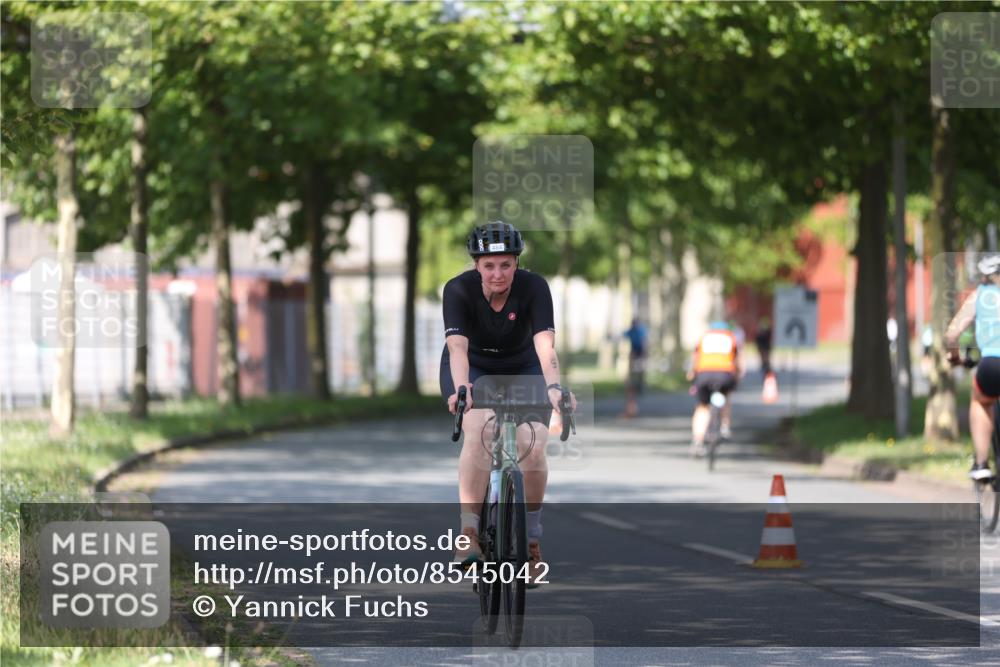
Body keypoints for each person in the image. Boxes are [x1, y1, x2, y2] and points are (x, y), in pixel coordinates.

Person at [441, 220, 577, 581]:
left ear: (517, 263)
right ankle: (469, 533)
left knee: (533, 446)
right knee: (481, 431)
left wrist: (554, 388)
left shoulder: (535, 287)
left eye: (506, 264)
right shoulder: (457, 290)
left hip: (524, 366)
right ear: (476, 266)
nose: (498, 273)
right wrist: (462, 389)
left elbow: (545, 345)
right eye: (489, 265)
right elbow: (457, 348)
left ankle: (531, 541)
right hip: (474, 367)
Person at [945, 253, 1000, 480]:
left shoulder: (980, 295)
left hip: (992, 365)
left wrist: (955, 357)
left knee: (980, 400)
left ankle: (981, 463)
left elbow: (952, 333)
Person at [687, 320, 741, 455]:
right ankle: (724, 426)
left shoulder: (704, 338)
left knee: (702, 407)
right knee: (726, 396)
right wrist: (737, 377)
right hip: (724, 374)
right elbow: (737, 361)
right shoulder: (730, 338)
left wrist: (692, 374)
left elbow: (695, 358)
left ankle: (697, 441)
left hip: (704, 374)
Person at [622, 318, 648, 418]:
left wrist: (644, 353)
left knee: (641, 370)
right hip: (632, 352)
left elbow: (644, 342)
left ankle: (640, 385)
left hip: (640, 351)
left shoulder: (640, 331)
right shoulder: (630, 331)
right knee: (632, 370)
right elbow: (624, 338)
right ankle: (632, 384)